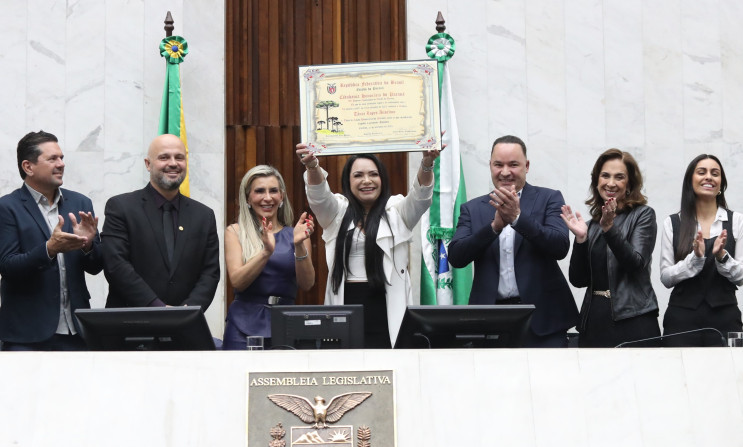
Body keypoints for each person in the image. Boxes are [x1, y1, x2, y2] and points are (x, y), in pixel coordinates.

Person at [296, 144, 442, 348]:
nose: (367, 181)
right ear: (348, 181)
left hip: (386, 307)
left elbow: (421, 198)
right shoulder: (337, 212)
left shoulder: (397, 212)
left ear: (382, 179)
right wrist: (312, 166)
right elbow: (319, 197)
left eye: (373, 174)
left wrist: (427, 163)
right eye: (358, 175)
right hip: (347, 307)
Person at [448, 135, 578, 347]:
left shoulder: (549, 198)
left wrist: (518, 219)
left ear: (526, 166)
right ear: (490, 166)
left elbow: (559, 246)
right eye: (498, 164)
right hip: (490, 321)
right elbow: (456, 256)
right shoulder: (472, 208)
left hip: (544, 320)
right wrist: (494, 227)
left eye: (513, 165)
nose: (505, 172)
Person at [0, 131, 102, 351]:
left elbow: (96, 267)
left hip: (76, 333)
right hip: (26, 335)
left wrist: (88, 245)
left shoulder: (80, 202)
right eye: (52, 159)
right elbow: (8, 266)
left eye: (61, 158)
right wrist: (49, 249)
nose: (61, 164)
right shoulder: (6, 208)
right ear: (28, 167)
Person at [102, 134, 219, 310]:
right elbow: (116, 265)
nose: (173, 163)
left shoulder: (204, 215)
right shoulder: (121, 207)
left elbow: (210, 273)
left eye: (179, 157)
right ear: (148, 164)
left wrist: (187, 311)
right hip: (130, 324)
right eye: (164, 157)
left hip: (184, 326)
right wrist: (157, 308)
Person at [561, 148, 659, 347]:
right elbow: (578, 280)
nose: (611, 183)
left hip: (634, 320)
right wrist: (580, 240)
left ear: (629, 183)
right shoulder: (591, 225)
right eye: (605, 175)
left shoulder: (643, 215)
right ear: (597, 181)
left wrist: (609, 228)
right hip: (594, 321)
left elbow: (636, 264)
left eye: (619, 177)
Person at [223, 165, 315, 350]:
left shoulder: (296, 234)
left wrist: (298, 245)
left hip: (286, 322)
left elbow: (307, 284)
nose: (267, 197)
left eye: (273, 191)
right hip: (243, 324)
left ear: (281, 196)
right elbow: (237, 281)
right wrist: (266, 252)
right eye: (259, 191)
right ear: (248, 198)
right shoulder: (235, 232)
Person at [659, 154, 743, 346]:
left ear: (721, 184)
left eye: (715, 173)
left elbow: (741, 277)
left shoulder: (737, 220)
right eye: (701, 172)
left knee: (728, 374)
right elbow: (665, 277)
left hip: (726, 318)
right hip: (681, 319)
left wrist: (722, 257)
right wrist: (694, 260)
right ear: (691, 181)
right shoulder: (673, 222)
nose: (708, 177)